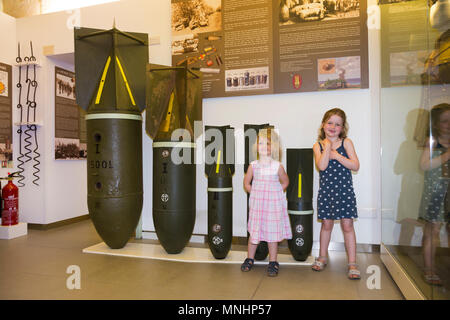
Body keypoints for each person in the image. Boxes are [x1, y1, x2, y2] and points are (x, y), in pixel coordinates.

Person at [311, 108, 361, 279]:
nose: (333, 126)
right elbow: (322, 166)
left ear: (343, 127)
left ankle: (352, 262)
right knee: (326, 225)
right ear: (323, 124)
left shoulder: (347, 142)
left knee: (347, 226)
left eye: (338, 124)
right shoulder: (317, 145)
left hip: (344, 191)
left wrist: (336, 155)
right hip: (326, 192)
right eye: (330, 122)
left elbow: (355, 165)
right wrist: (327, 149)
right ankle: (322, 256)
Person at [240, 128, 291, 277]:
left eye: (267, 143)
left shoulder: (277, 166)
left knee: (272, 235)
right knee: (254, 233)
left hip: (272, 208)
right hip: (257, 207)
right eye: (260, 143)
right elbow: (246, 183)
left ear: (274, 146)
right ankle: (250, 258)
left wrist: (275, 194)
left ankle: (273, 261)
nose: (263, 146)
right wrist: (254, 193)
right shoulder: (253, 165)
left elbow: (285, 182)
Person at [418, 103, 450, 286]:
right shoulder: (432, 141)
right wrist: (445, 156)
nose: (449, 124)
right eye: (445, 121)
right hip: (436, 192)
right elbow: (423, 165)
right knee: (433, 230)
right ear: (436, 124)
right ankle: (429, 268)